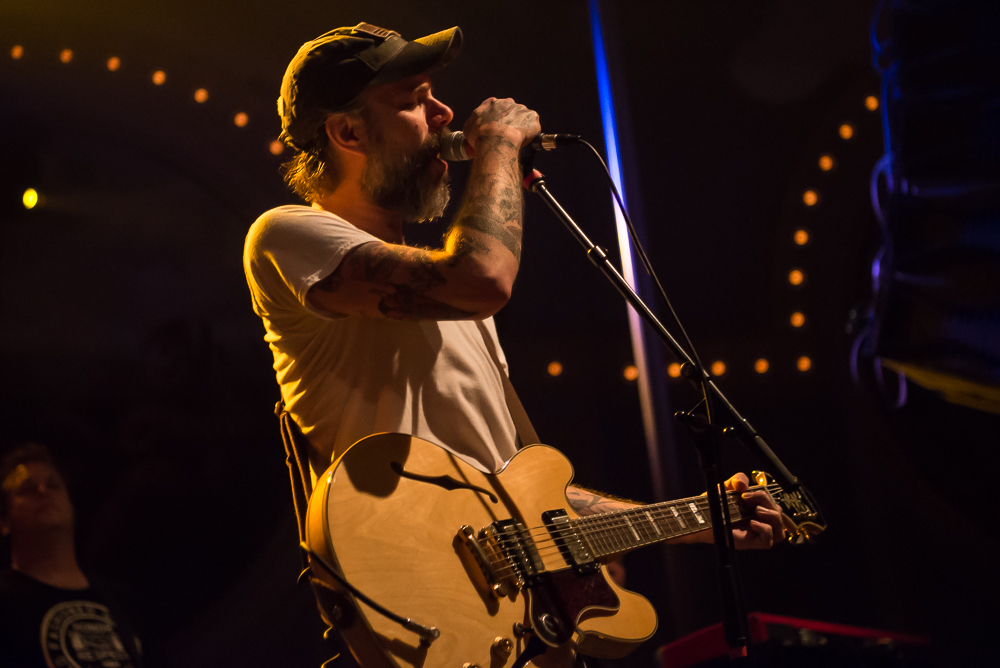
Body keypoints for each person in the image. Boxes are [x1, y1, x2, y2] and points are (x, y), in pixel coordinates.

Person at [243, 19, 784, 658]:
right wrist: (500, 143)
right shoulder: (288, 234)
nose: (443, 111)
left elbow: (529, 499)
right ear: (347, 132)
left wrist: (699, 519)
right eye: (414, 98)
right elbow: (483, 277)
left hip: (507, 623)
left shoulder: (450, 296)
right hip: (410, 602)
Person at [0, 443, 143, 668]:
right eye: (27, 489)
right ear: (4, 522)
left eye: (54, 485)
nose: (43, 491)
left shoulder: (126, 604)